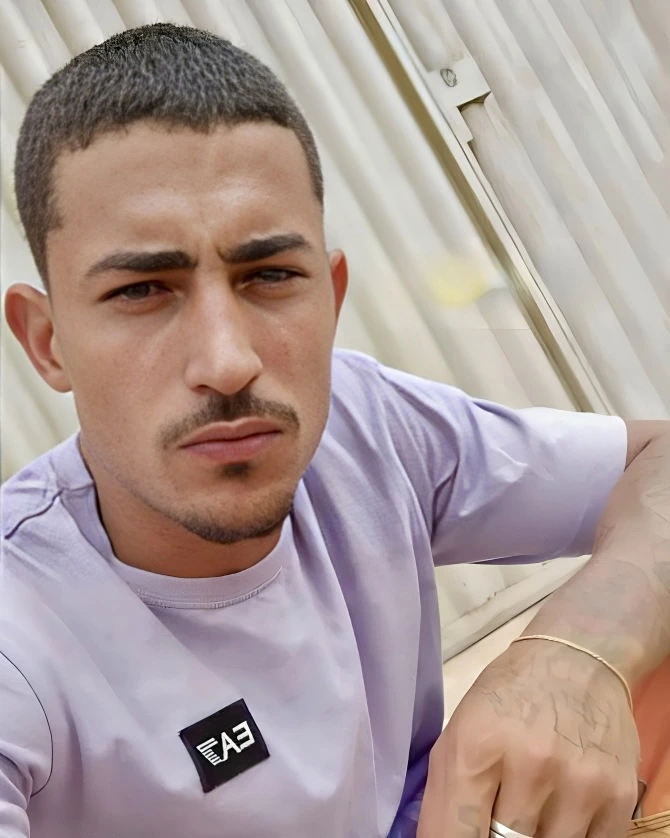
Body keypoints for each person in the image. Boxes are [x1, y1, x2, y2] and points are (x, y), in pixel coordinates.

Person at [1, 23, 668, 838]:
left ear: (332, 293)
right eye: (142, 291)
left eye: (270, 275)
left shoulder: (365, 425)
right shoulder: (21, 631)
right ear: (47, 342)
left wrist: (580, 650)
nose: (228, 361)